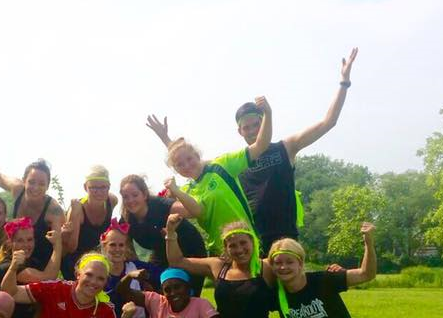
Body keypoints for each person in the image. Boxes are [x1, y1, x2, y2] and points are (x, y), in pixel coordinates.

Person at [149, 49, 358, 253]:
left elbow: (328, 122)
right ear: (239, 131)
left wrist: (344, 83)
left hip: (284, 234)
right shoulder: (232, 163)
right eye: (246, 127)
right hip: (250, 239)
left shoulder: (285, 147)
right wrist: (166, 140)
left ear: (264, 121)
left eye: (256, 124)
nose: (251, 130)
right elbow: (191, 164)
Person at [145, 97, 272, 254]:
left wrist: (268, 114)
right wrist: (173, 192)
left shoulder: (222, 165)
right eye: (180, 165)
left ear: (197, 155)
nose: (186, 166)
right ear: (175, 170)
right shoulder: (186, 191)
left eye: (190, 159)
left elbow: (261, 145)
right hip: (220, 252)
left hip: (247, 246)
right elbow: (198, 212)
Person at [0, 142, 65, 267]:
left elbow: (59, 247)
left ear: (48, 186)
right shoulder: (18, 189)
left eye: (41, 184)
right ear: (24, 181)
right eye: (31, 182)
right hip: (15, 259)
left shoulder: (54, 211)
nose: (35, 188)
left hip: (40, 263)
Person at [119, 174, 207, 296]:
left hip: (190, 251)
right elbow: (128, 252)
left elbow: (195, 211)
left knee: (185, 295)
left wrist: (176, 191)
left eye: (135, 195)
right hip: (162, 253)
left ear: (144, 195)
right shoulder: (126, 220)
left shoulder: (161, 206)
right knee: (155, 289)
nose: (130, 200)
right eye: (126, 197)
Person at [0, 217, 63, 318]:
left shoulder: (33, 262)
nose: (26, 245)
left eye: (30, 240)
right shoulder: (6, 265)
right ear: (10, 242)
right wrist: (57, 246)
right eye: (20, 240)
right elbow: (47, 278)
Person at [99, 218, 158, 318]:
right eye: (112, 245)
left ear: (126, 247)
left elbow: (163, 275)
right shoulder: (99, 272)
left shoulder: (136, 266)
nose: (117, 249)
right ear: (104, 246)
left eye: (121, 245)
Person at [61, 165, 118, 279]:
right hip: (75, 262)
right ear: (85, 187)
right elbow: (71, 248)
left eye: (103, 187)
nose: (99, 192)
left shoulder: (112, 201)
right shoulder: (78, 210)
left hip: (97, 259)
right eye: (93, 187)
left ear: (109, 187)